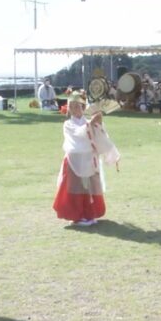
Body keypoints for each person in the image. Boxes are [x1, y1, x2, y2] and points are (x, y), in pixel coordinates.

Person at [52, 91, 121, 226]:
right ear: (69, 108)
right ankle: (77, 216)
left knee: (90, 188)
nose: (77, 110)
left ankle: (89, 214)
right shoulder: (68, 124)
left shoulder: (87, 122)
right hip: (74, 162)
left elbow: (96, 135)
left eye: (79, 106)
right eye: (73, 107)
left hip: (89, 160)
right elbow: (77, 135)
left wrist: (98, 125)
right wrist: (90, 125)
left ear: (84, 108)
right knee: (76, 188)